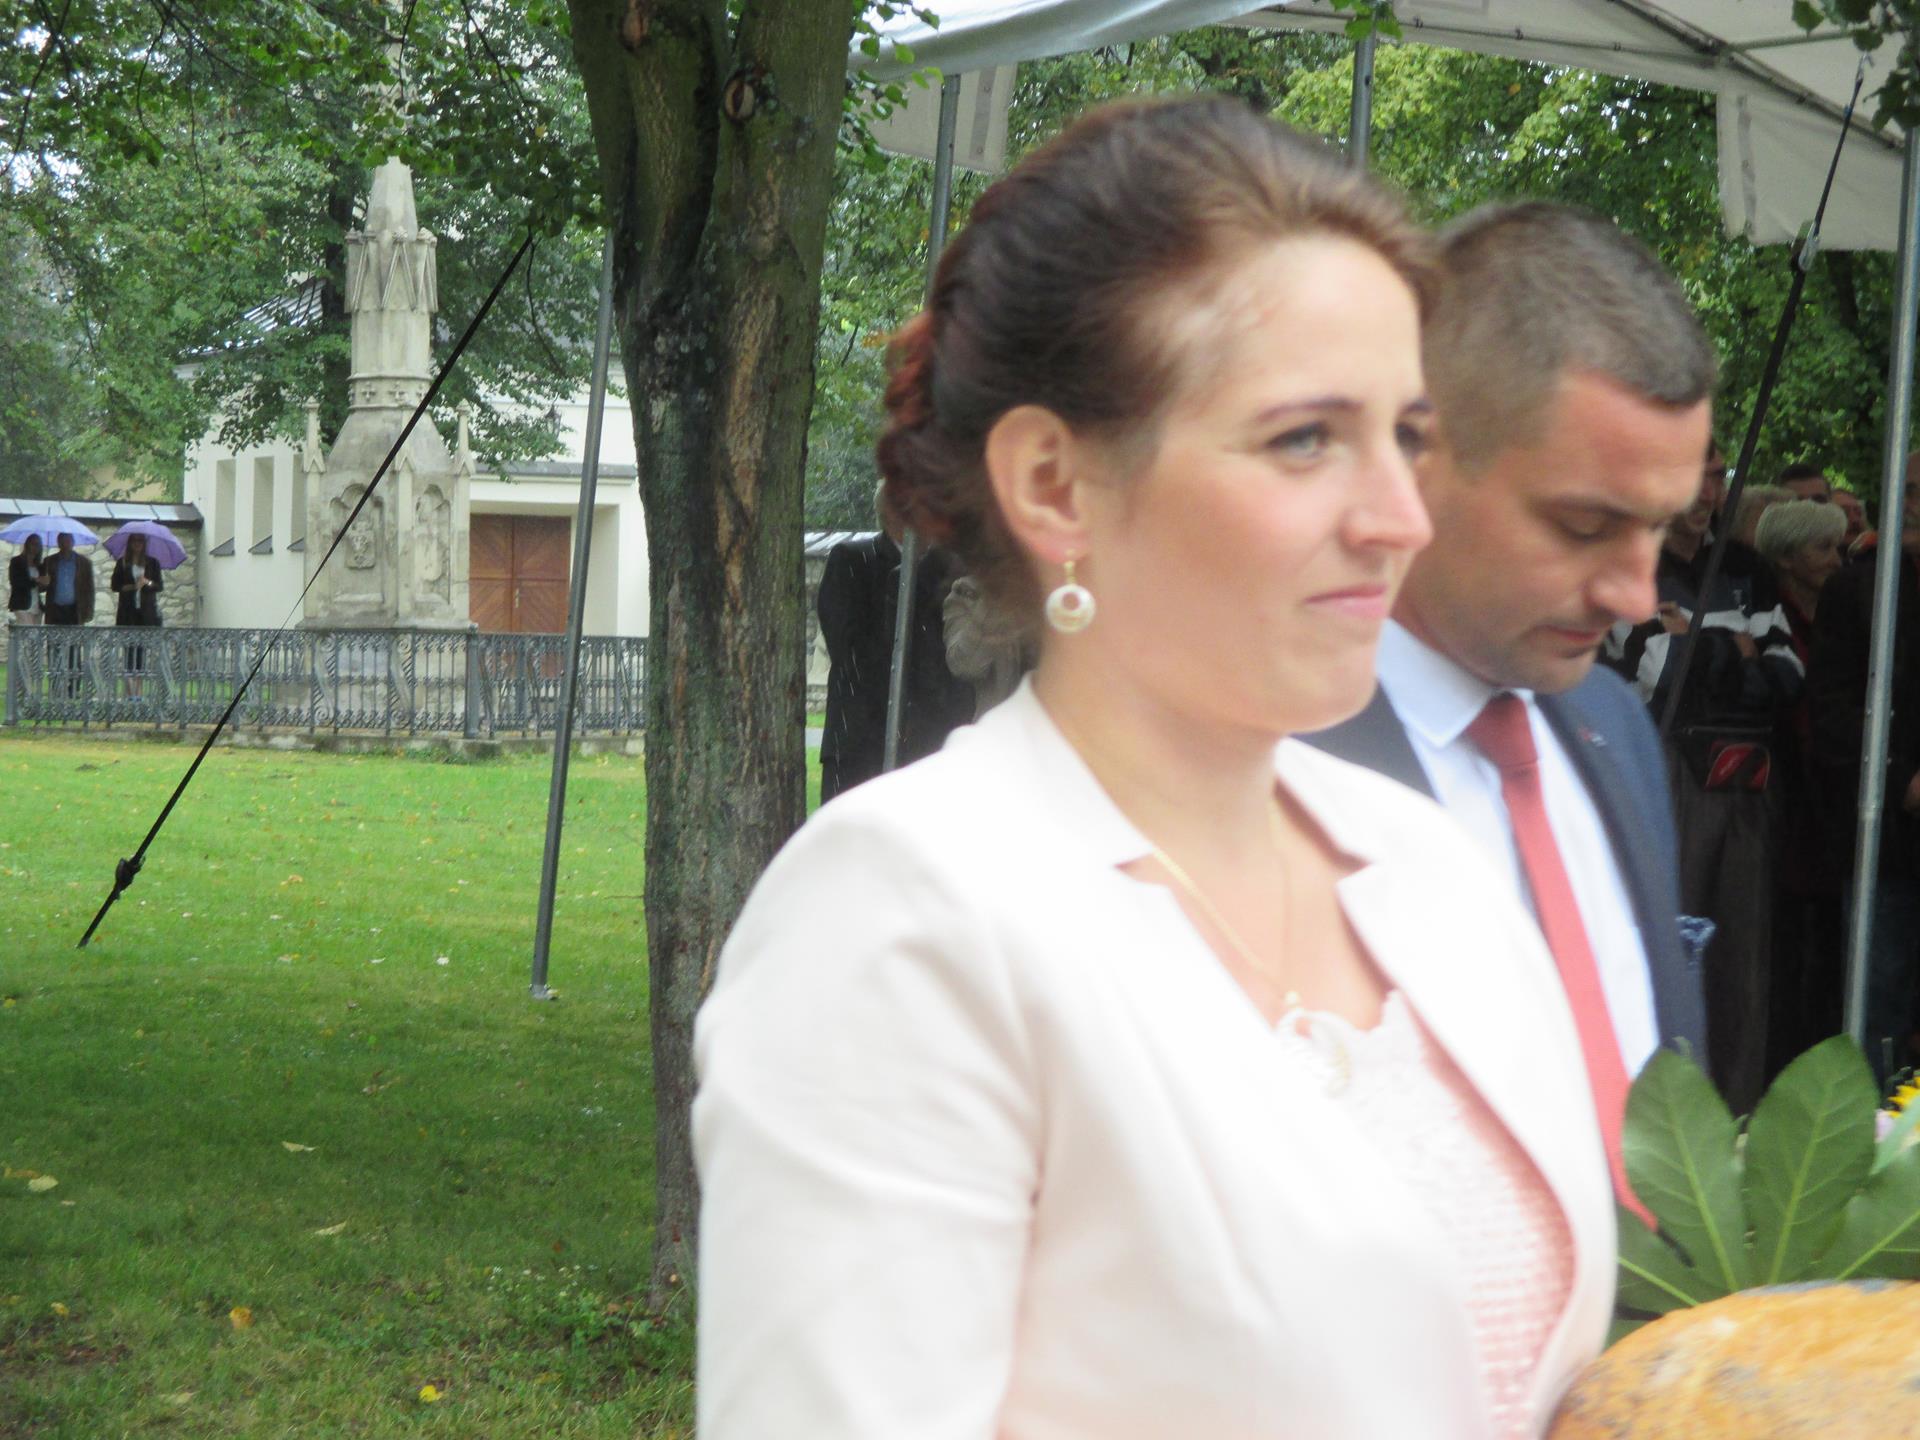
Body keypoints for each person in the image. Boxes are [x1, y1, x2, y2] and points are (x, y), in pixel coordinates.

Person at [695, 99, 1616, 1440]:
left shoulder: (1429, 867)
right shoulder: (904, 916)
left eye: (1409, 436)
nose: (1399, 517)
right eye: (1306, 438)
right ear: (1055, 485)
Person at [1307, 203, 1711, 1127]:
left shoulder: (1615, 728)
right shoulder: (1255, 766)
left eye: (1661, 526)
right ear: (1415, 452)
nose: (1636, 597)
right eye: (1584, 525)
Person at [1610, 446, 1802, 1110]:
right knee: (1668, 947)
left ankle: (1737, 1115)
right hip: (1667, 776)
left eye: (1715, 478)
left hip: (1749, 784)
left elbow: (1789, 675)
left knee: (1742, 964)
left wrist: (1696, 639)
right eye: (1691, 476)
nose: (1705, 491)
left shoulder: (1748, 568)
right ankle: (1663, 1114)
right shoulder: (1632, 561)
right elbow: (1651, 669)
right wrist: (1739, 649)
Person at [1810, 455, 1920, 1084]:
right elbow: (1831, 714)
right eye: (1908, 491)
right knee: (1879, 1007)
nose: (1915, 505)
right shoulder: (1858, 591)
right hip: (1889, 845)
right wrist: (1902, 779)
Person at [1754, 498, 1849, 1073]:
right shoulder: (1770, 619)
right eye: (1823, 548)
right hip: (1785, 793)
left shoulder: (1840, 612)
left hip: (1827, 796)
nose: (1837, 559)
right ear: (1787, 558)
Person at [815, 487, 972, 801]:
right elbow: (850, 653)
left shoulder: (951, 571)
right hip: (864, 744)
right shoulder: (851, 561)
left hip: (935, 745)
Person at [110, 531, 164, 694]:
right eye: (134, 540)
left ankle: (138, 691)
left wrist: (147, 582)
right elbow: (115, 585)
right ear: (130, 543)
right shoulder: (122, 563)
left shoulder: (152, 563)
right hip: (128, 613)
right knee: (128, 651)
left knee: (141, 652)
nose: (137, 543)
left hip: (145, 614)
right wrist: (133, 586)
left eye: (140, 540)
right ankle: (129, 691)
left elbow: (159, 586)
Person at [41, 531, 94, 626]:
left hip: (75, 609)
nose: (65, 544)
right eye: (62, 541)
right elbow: (41, 588)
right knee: (54, 635)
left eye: (68, 541)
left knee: (75, 635)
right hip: (55, 609)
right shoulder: (49, 561)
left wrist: (89, 611)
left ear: (73, 542)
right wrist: (44, 583)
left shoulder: (84, 563)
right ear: (58, 543)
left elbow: (89, 589)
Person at [7, 536, 45, 625]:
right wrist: (36, 580)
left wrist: (44, 583)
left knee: (36, 633)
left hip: (36, 605)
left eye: (38, 545)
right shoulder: (17, 562)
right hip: (22, 604)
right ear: (27, 545)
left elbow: (40, 588)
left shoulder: (39, 566)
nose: (35, 547)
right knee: (27, 630)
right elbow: (16, 582)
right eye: (33, 544)